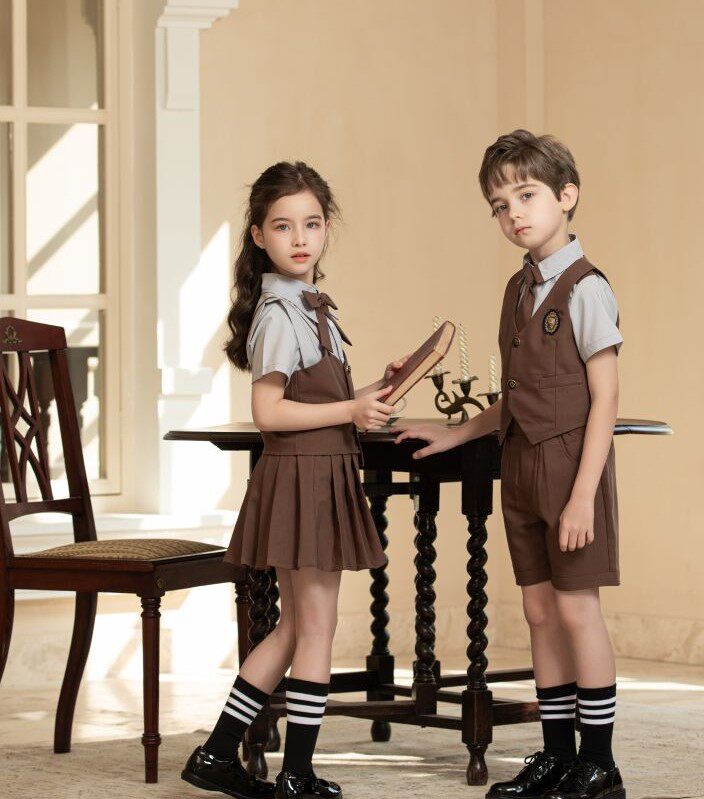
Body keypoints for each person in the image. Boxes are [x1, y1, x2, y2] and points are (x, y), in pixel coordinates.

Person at [395, 130, 625, 799]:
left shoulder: (586, 289)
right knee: (539, 611)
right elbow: (518, 396)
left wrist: (581, 497)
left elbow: (605, 398)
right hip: (520, 469)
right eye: (500, 205)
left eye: (526, 195)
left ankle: (599, 762)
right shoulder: (517, 290)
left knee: (577, 611)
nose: (513, 213)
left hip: (570, 471)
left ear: (566, 195)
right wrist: (456, 432)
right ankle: (555, 755)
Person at [182, 161, 407, 799]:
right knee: (314, 629)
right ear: (259, 236)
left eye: (311, 224)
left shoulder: (309, 309)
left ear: (327, 228)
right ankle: (297, 775)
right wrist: (351, 409)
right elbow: (270, 412)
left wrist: (372, 392)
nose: (300, 238)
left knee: (291, 629)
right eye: (283, 226)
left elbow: (317, 401)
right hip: (305, 476)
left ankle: (216, 754)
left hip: (314, 473)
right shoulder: (283, 313)